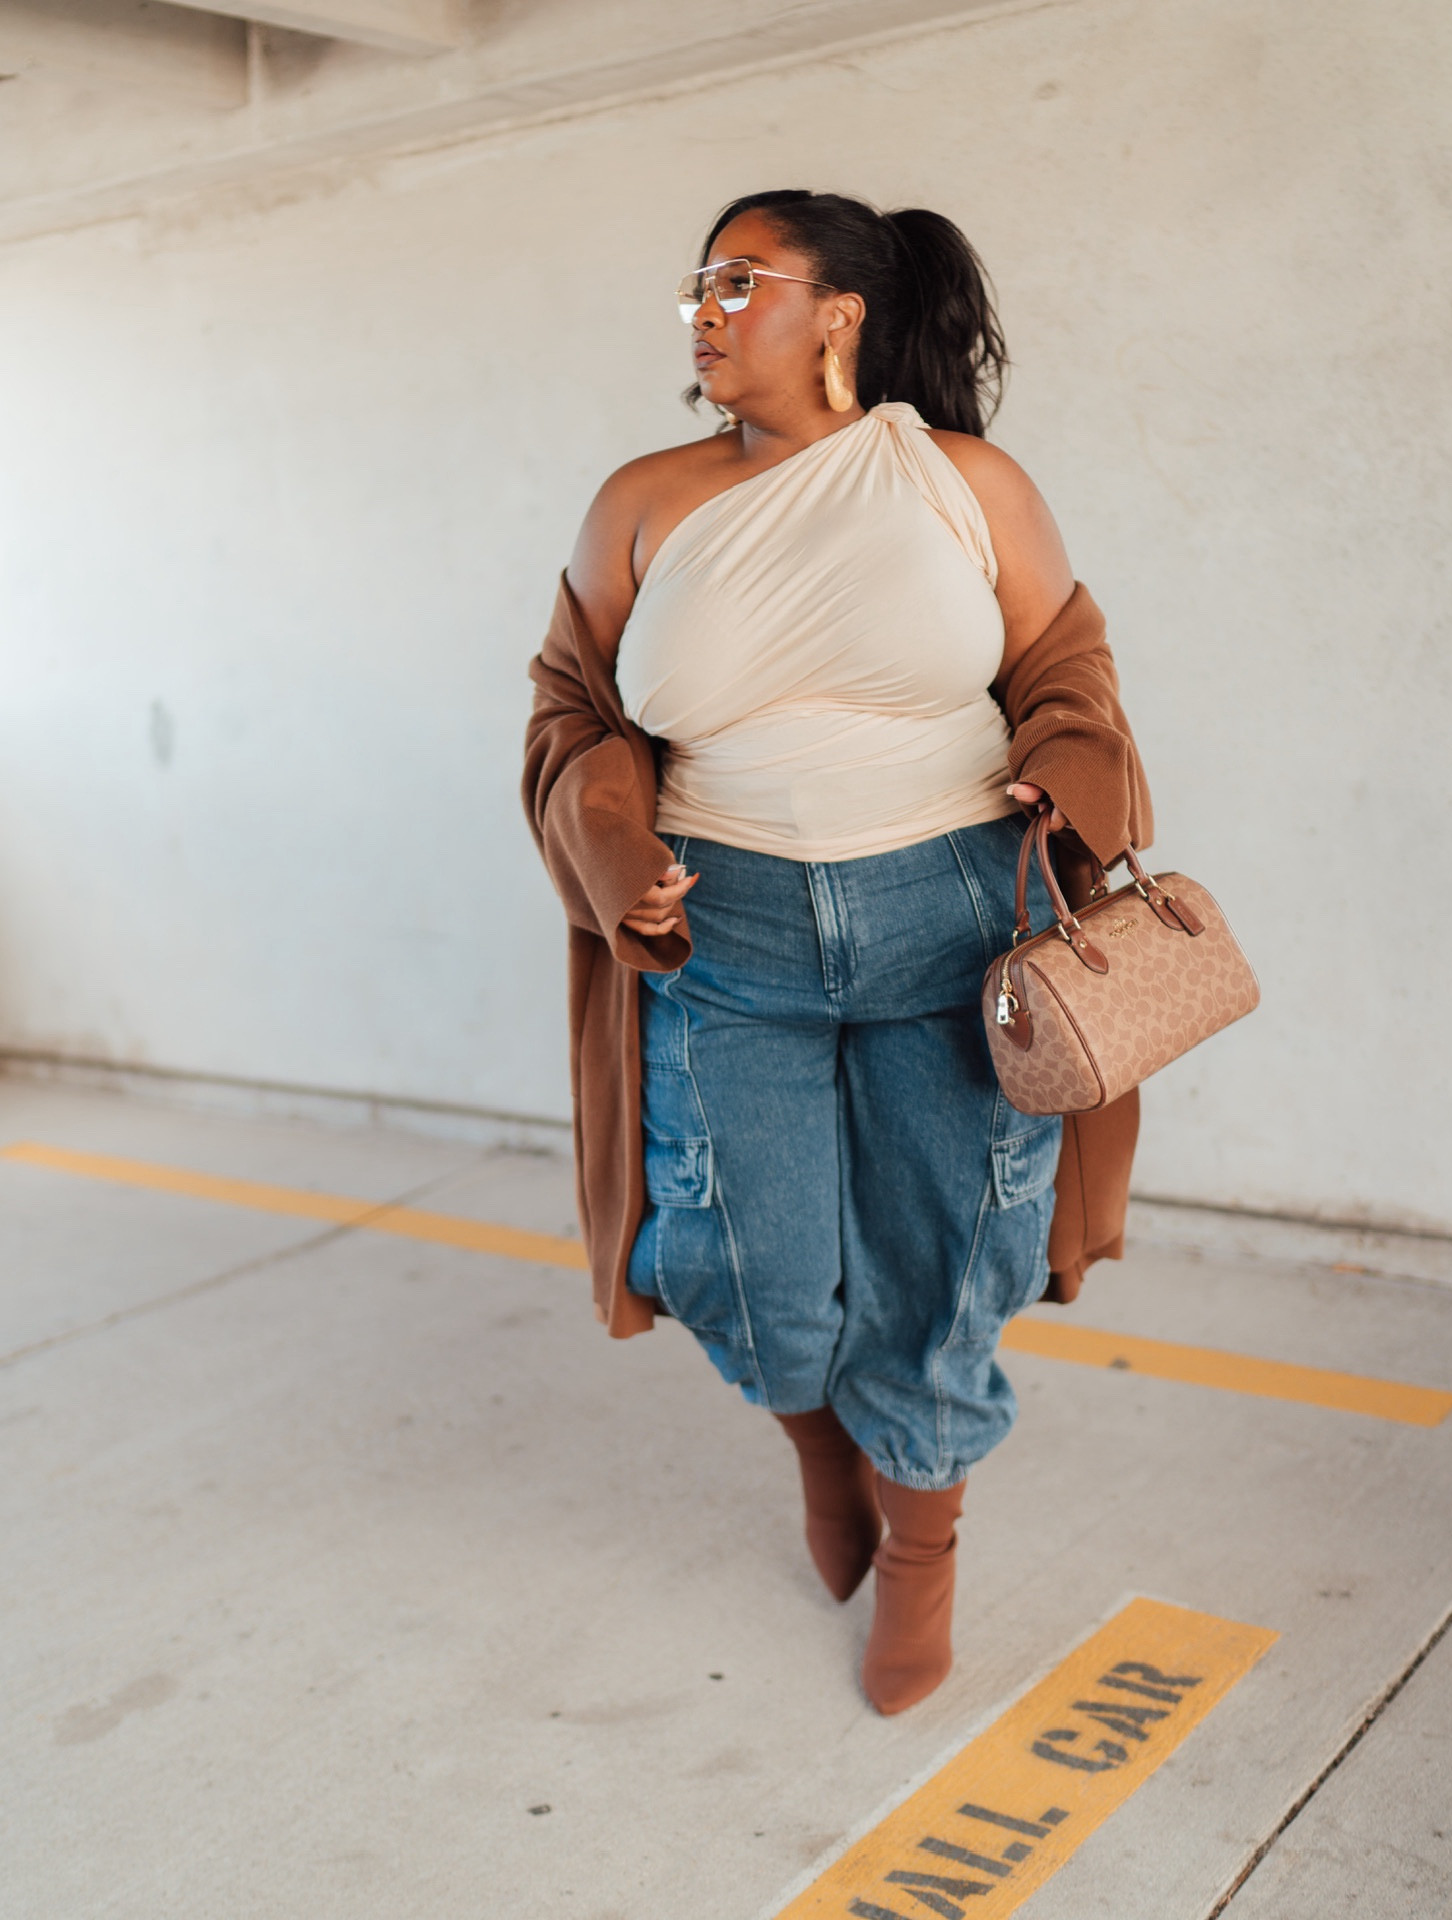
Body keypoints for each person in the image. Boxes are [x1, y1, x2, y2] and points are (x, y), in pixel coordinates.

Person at [523, 190, 1151, 1714]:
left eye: (739, 280)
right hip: (722, 925)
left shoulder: (967, 483)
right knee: (739, 1258)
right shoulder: (642, 501)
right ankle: (820, 1437)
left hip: (958, 920)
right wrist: (611, 848)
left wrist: (1063, 764)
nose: (704, 310)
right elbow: (574, 709)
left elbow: (1064, 668)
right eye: (699, 284)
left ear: (841, 314)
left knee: (955, 1251)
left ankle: (922, 1550)